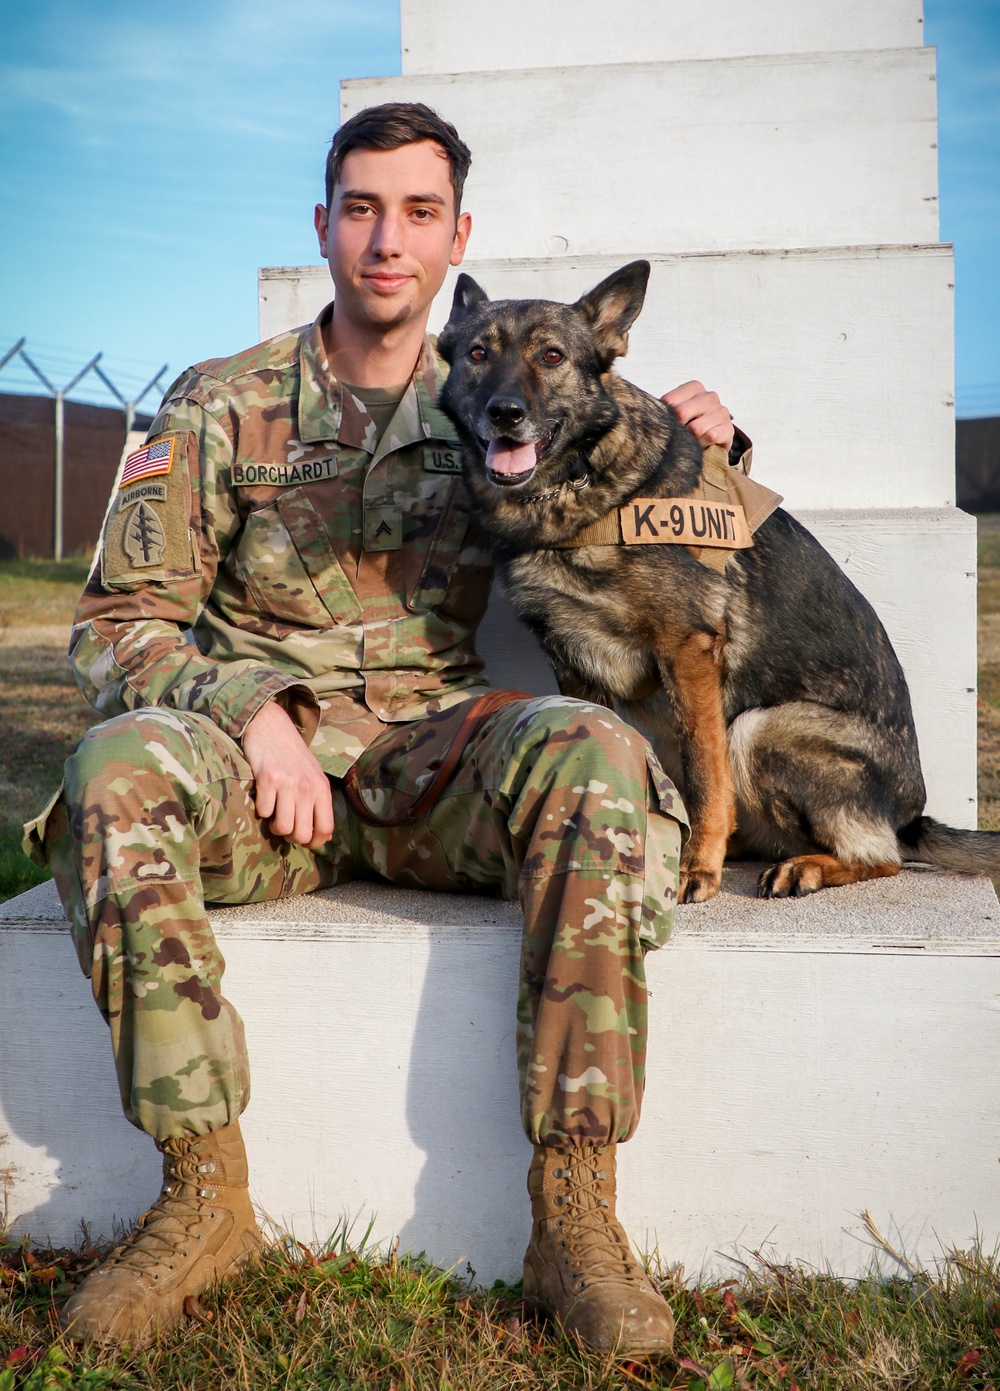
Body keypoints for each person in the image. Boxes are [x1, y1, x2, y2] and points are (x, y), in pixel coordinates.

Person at [26, 101, 741, 1357]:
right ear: (324, 225)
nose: (387, 239)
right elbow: (117, 624)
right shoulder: (219, 401)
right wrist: (252, 711)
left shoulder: (507, 398)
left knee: (591, 750)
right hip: (265, 784)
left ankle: (572, 1207)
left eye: (418, 213)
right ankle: (201, 1194)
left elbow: (666, 534)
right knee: (112, 766)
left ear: (455, 234)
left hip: (433, 757)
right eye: (361, 209)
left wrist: (707, 447)